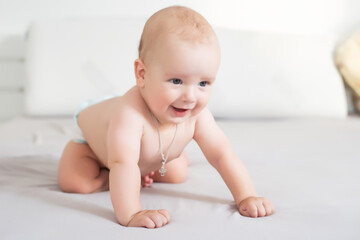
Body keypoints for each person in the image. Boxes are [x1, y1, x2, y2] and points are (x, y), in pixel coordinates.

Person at [57, 5, 275, 229]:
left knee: (177, 173)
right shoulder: (129, 115)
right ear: (142, 74)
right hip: (95, 147)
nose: (190, 97)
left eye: (203, 83)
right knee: (76, 182)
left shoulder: (197, 115)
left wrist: (247, 196)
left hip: (146, 155)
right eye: (176, 81)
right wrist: (131, 213)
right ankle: (110, 177)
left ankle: (147, 169)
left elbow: (222, 155)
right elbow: (122, 163)